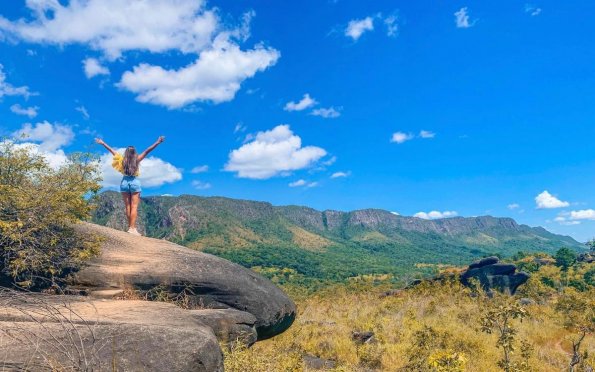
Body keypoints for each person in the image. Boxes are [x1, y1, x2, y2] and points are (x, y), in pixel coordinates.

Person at [95, 136, 165, 236]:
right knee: (134, 206)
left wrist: (102, 143)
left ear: (126, 153)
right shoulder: (137, 160)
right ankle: (132, 228)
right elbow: (147, 151)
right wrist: (157, 142)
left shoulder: (122, 161)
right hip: (134, 183)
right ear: (134, 153)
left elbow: (111, 150)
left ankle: (130, 227)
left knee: (128, 206)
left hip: (124, 183)